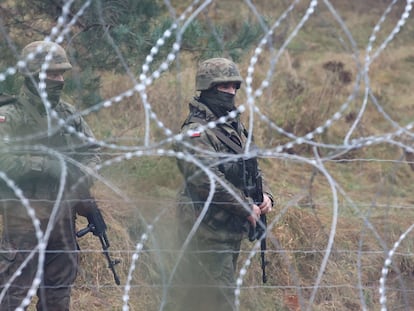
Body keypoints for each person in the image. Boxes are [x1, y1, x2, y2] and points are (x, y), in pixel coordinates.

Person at [0, 41, 100, 310]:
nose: (60, 80)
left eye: (62, 74)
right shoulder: (10, 115)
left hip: (64, 217)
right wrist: (49, 166)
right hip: (23, 219)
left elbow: (93, 152)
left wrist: (83, 175)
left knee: (57, 294)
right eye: (53, 74)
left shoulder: (69, 115)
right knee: (13, 293)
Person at [171, 58, 273, 311]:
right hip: (206, 231)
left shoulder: (231, 127)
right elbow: (206, 180)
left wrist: (265, 197)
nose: (231, 92)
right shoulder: (196, 132)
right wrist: (245, 206)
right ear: (207, 88)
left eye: (234, 87)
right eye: (223, 86)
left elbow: (250, 169)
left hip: (230, 228)